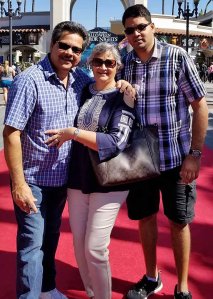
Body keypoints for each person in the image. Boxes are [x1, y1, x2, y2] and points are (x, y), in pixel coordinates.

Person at [3, 21, 134, 299]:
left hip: (63, 181)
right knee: (31, 246)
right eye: (63, 45)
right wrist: (19, 183)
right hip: (34, 181)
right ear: (52, 44)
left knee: (49, 241)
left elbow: (104, 83)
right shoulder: (29, 80)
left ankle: (47, 289)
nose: (69, 53)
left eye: (76, 49)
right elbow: (11, 133)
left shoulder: (80, 80)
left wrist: (120, 82)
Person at [118, 4, 209, 299]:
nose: (136, 33)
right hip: (140, 159)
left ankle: (181, 287)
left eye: (141, 26)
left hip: (176, 157)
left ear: (152, 26)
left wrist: (195, 154)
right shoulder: (125, 62)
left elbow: (199, 105)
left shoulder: (176, 56)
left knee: (179, 221)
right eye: (130, 30)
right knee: (145, 218)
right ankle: (151, 276)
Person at [44, 42, 135, 299]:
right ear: (90, 64)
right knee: (78, 244)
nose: (103, 67)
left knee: (95, 248)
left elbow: (116, 141)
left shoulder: (124, 96)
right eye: (98, 62)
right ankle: (93, 293)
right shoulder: (83, 90)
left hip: (109, 180)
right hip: (77, 177)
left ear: (118, 66)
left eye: (110, 63)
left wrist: (74, 133)